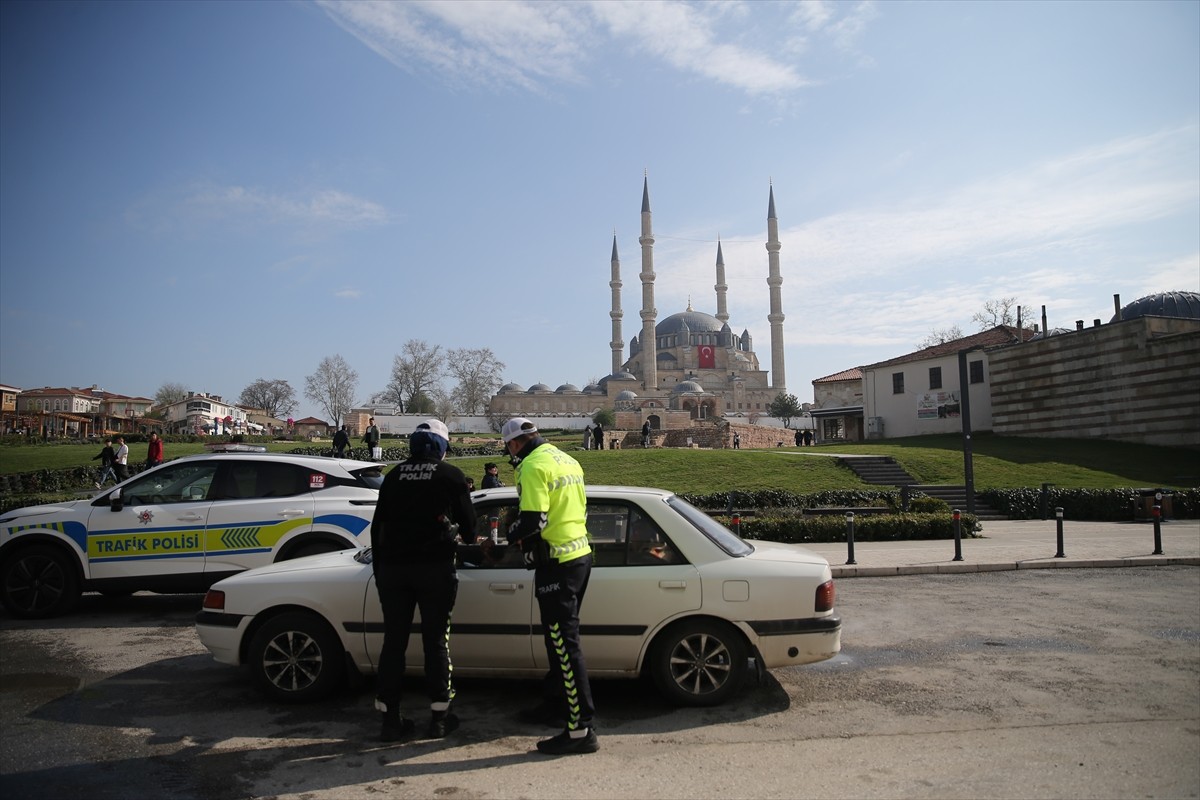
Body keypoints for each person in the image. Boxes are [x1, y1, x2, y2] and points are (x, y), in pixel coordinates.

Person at [495, 417, 598, 755]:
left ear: (514, 444)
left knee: (565, 645)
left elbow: (533, 520)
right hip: (579, 556)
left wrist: (507, 537)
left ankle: (580, 729)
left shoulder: (531, 466)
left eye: (510, 449)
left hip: (557, 563)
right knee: (557, 641)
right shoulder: (566, 459)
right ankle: (556, 705)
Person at [370, 419, 477, 742]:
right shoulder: (450, 475)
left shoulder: (393, 476)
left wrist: (380, 570)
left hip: (392, 570)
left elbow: (377, 527)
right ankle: (440, 718)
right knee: (435, 641)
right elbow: (470, 530)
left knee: (393, 642)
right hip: (435, 569)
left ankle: (390, 720)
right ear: (442, 446)